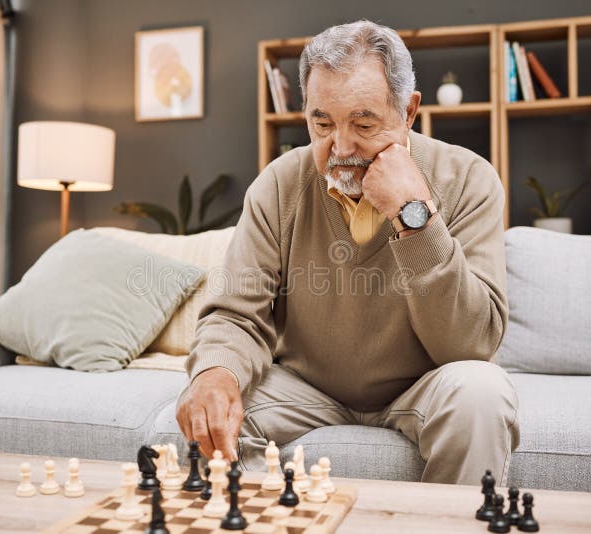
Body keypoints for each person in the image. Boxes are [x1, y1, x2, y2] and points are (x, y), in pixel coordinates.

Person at [175, 20, 520, 485]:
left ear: (409, 111)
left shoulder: (469, 179)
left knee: (483, 395)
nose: (340, 147)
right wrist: (216, 372)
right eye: (322, 123)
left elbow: (471, 344)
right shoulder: (279, 184)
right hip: (308, 387)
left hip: (423, 387)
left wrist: (413, 213)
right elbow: (236, 314)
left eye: (363, 123)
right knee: (204, 416)